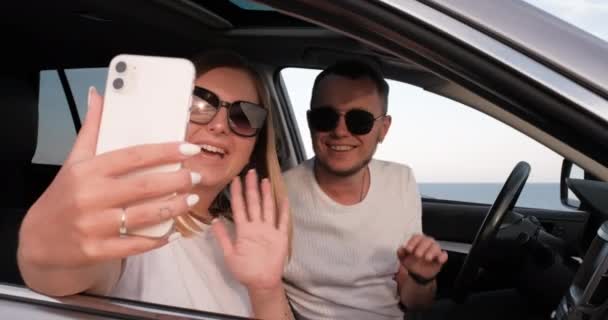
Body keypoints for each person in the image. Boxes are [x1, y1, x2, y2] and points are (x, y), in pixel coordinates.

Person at [17, 51, 293, 319]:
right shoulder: (129, 222)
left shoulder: (250, 238)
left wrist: (266, 290)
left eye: (244, 116)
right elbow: (65, 269)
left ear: (253, 147)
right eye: (198, 104)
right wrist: (47, 247)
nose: (220, 125)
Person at [282, 60, 448, 319]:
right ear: (310, 122)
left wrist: (421, 278)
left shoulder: (400, 180)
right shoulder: (276, 195)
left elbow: (415, 303)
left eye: (359, 121)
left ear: (383, 129)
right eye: (325, 118)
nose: (340, 131)